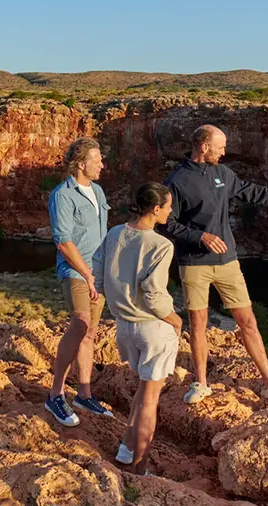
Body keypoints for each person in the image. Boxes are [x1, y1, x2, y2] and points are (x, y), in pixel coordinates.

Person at [162, 125, 268, 408]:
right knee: (198, 324)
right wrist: (201, 236)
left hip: (228, 262)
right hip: (194, 263)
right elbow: (168, 221)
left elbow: (255, 192)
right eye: (220, 147)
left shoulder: (222, 174)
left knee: (248, 321)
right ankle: (200, 383)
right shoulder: (177, 181)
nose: (224, 152)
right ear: (203, 146)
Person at [93, 182, 183, 474]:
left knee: (142, 392)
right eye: (168, 207)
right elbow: (154, 294)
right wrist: (174, 319)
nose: (170, 211)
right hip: (153, 328)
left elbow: (98, 274)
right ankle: (140, 469)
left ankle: (125, 449)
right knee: (149, 400)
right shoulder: (160, 245)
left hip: (124, 326)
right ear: (156, 209)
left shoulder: (115, 233)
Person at [44, 136, 115, 426]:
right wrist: (86, 273)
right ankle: (55, 395)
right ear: (82, 163)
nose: (102, 165)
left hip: (98, 272)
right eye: (98, 160)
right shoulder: (63, 195)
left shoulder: (97, 191)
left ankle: (84, 395)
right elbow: (63, 241)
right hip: (76, 271)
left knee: (90, 332)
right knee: (81, 322)